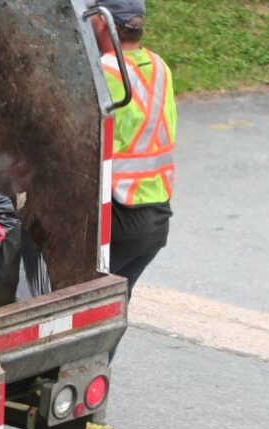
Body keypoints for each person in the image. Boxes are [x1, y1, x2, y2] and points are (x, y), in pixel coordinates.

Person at [91, 0, 176, 296]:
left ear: (101, 22)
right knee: (109, 311)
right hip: (156, 220)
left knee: (81, 309)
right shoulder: (160, 66)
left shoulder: (101, 72)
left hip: (117, 219)